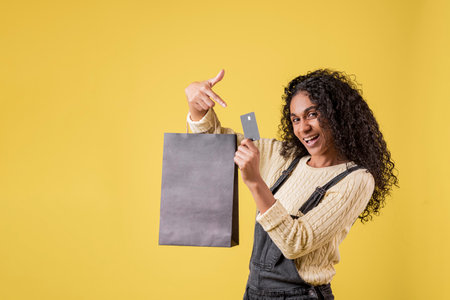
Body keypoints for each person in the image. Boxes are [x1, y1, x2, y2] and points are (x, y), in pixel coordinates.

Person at [184, 69, 398, 299]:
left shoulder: (356, 179)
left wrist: (255, 182)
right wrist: (196, 105)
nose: (303, 128)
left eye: (312, 114)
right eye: (296, 119)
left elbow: (296, 242)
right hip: (254, 292)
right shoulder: (284, 156)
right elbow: (212, 146)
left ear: (336, 115)